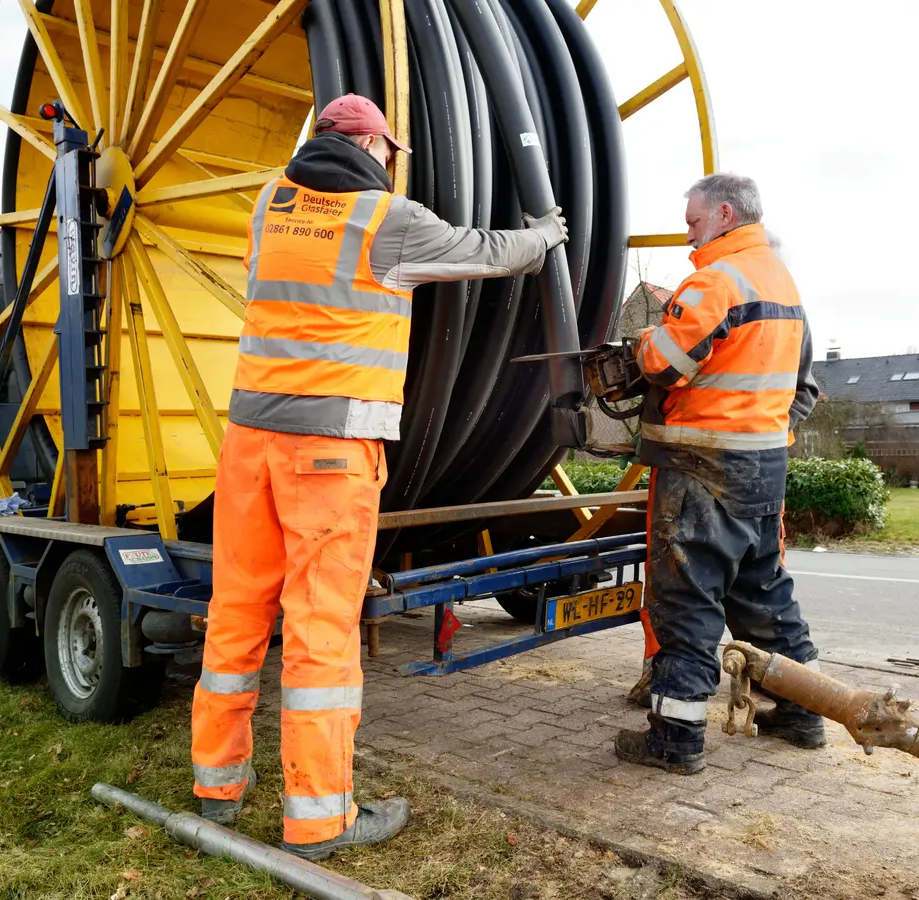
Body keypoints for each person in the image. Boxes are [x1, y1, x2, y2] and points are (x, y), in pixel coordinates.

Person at [190, 93, 568, 859]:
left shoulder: (270, 201)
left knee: (234, 613)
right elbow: (487, 253)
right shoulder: (383, 218)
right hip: (328, 454)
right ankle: (320, 818)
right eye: (388, 148)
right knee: (321, 632)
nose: (392, 157)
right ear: (371, 145)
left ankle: (218, 787)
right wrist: (544, 235)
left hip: (250, 443)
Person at [614, 173, 823, 775]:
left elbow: (666, 361)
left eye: (693, 221)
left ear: (725, 213)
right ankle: (802, 714)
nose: (688, 236)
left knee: (687, 600)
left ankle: (676, 742)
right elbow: (800, 386)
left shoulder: (716, 281)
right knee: (763, 594)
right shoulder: (782, 282)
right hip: (763, 466)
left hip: (702, 465)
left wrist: (644, 341)